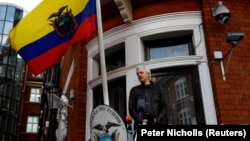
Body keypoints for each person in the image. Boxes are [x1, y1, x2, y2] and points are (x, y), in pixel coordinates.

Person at [129, 65, 167, 129]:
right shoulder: (134, 90)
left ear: (148, 74)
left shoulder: (158, 89)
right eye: (137, 74)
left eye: (141, 72)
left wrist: (157, 119)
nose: (139, 75)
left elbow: (164, 107)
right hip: (140, 125)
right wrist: (140, 120)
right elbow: (131, 108)